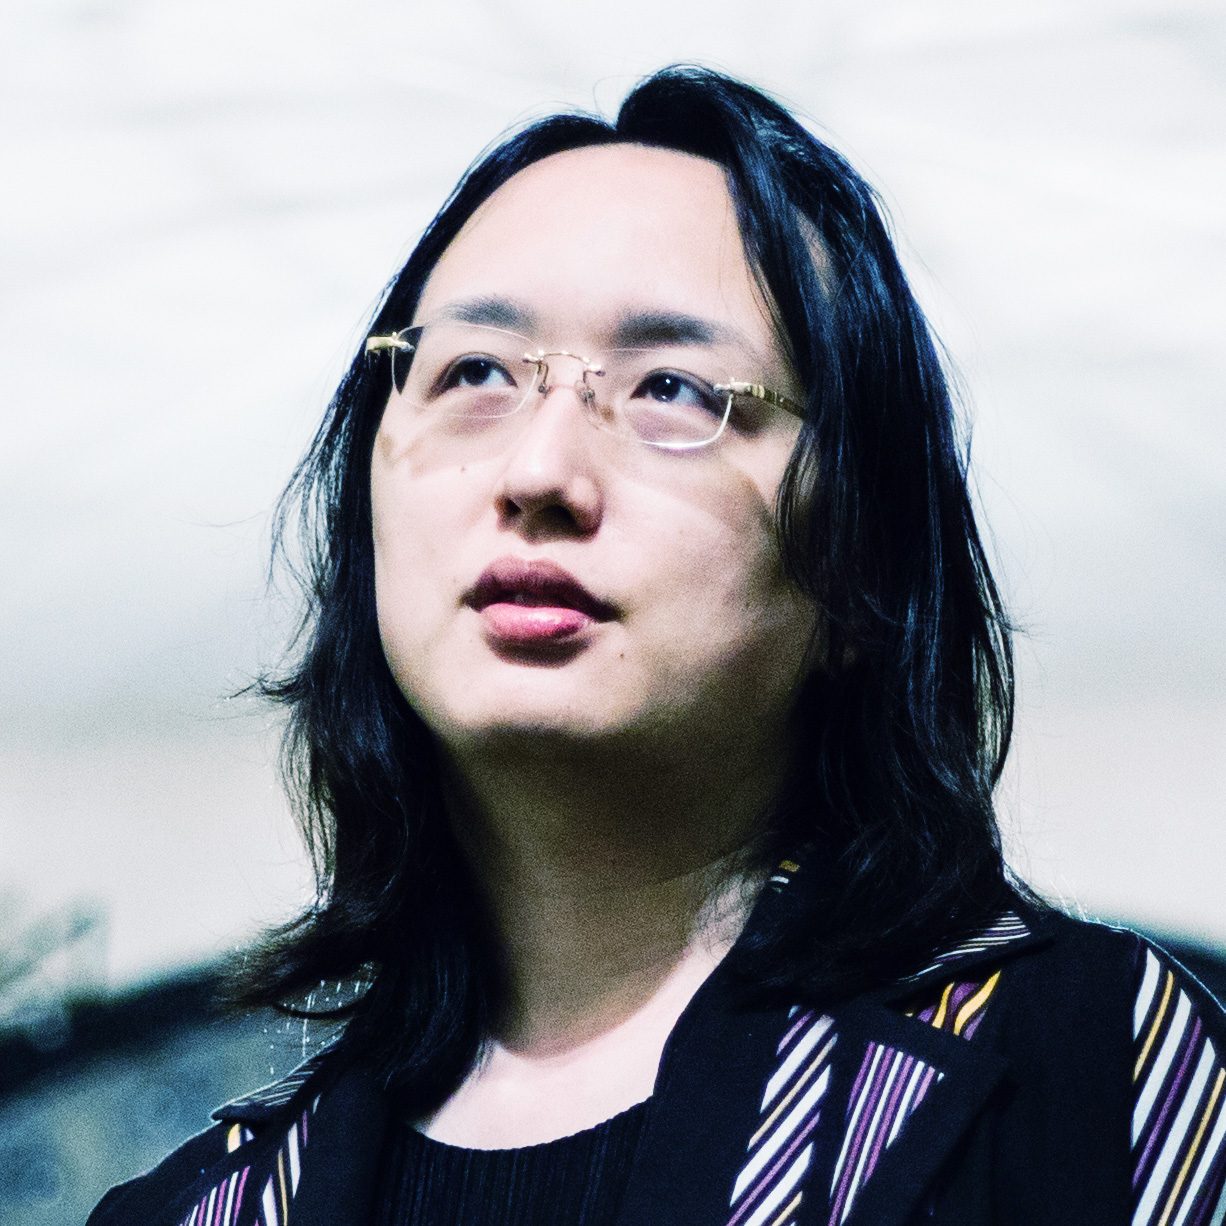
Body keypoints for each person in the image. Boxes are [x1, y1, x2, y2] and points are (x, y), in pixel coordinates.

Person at [90, 65, 1226, 1225]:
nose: (539, 471)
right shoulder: (188, 1210)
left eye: (672, 389)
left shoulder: (1103, 1070)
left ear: (859, 566)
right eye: (472, 371)